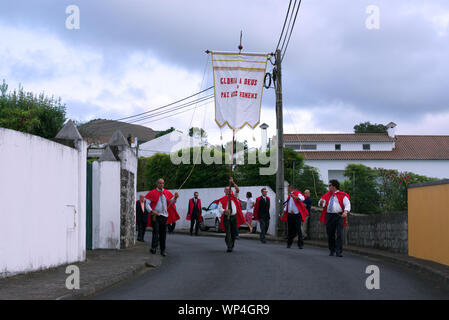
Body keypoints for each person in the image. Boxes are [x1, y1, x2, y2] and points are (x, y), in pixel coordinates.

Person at [145, 178, 180, 257]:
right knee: (156, 231)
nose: (161, 185)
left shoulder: (167, 192)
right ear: (157, 184)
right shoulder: (152, 193)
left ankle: (162, 250)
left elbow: (172, 202)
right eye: (160, 183)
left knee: (163, 233)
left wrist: (175, 198)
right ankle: (153, 247)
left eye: (163, 183)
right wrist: (151, 211)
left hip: (164, 215)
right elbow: (147, 204)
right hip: (155, 215)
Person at [318, 179, 351, 257]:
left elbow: (347, 204)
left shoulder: (343, 195)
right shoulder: (326, 195)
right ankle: (332, 250)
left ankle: (338, 251)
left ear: (334, 186)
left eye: (330, 185)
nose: (328, 187)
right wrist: (321, 203)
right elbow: (320, 203)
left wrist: (345, 212)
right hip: (329, 215)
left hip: (339, 216)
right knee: (330, 233)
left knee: (339, 233)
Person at [217, 178, 245, 252]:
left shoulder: (234, 197)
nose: (228, 190)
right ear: (224, 191)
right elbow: (219, 209)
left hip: (234, 217)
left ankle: (231, 243)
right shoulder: (222, 199)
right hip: (227, 217)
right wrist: (225, 211)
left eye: (229, 189)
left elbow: (238, 190)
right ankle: (229, 246)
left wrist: (233, 183)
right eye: (226, 189)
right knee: (228, 232)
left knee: (233, 232)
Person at [280, 184, 309, 249]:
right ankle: (289, 244)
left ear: (291, 188)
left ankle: (300, 244)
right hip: (290, 215)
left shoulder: (297, 193)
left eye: (288, 188)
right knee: (290, 230)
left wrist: (295, 197)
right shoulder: (289, 196)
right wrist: (284, 212)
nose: (287, 189)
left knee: (298, 229)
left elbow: (302, 198)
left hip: (297, 215)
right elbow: (287, 205)